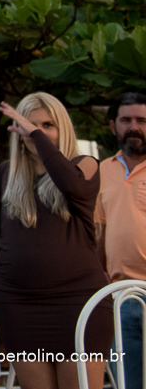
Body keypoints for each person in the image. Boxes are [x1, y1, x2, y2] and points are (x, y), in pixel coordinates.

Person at [0, 94, 110, 389]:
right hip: (18, 303)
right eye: (30, 124)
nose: (38, 131)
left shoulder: (85, 165)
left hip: (79, 302)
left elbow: (70, 185)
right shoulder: (5, 174)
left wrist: (33, 133)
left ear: (64, 129)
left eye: (48, 124)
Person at [95, 91, 146, 389]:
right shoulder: (102, 171)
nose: (134, 127)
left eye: (141, 120)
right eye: (126, 120)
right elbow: (98, 233)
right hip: (119, 296)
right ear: (113, 126)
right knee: (128, 382)